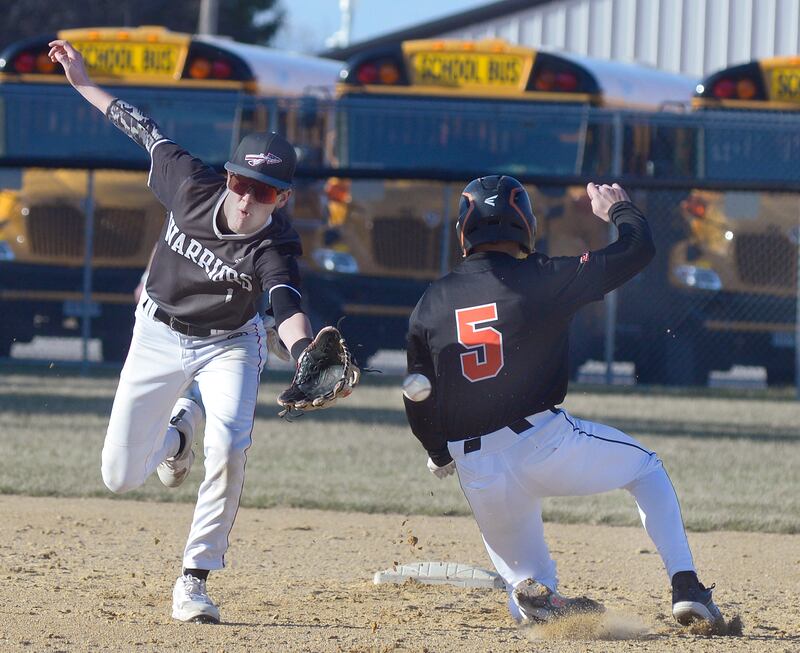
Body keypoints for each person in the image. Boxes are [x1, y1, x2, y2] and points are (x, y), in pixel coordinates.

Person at [49, 40, 330, 624]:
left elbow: (284, 301)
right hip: (155, 332)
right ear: (229, 176)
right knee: (119, 477)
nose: (250, 198)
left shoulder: (274, 242)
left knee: (229, 445)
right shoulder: (190, 183)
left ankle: (194, 579)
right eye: (244, 183)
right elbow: (140, 127)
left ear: (282, 199)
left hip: (229, 343)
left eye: (266, 192)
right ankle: (178, 434)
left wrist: (305, 352)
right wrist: (81, 83)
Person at [403, 175, 724, 627]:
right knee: (647, 469)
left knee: (528, 593)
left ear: (463, 234)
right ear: (525, 228)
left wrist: (436, 450)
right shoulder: (546, 276)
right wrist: (619, 210)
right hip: (544, 444)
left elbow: (417, 389)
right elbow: (637, 249)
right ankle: (686, 588)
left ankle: (535, 600)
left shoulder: (431, 301)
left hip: (477, 468)